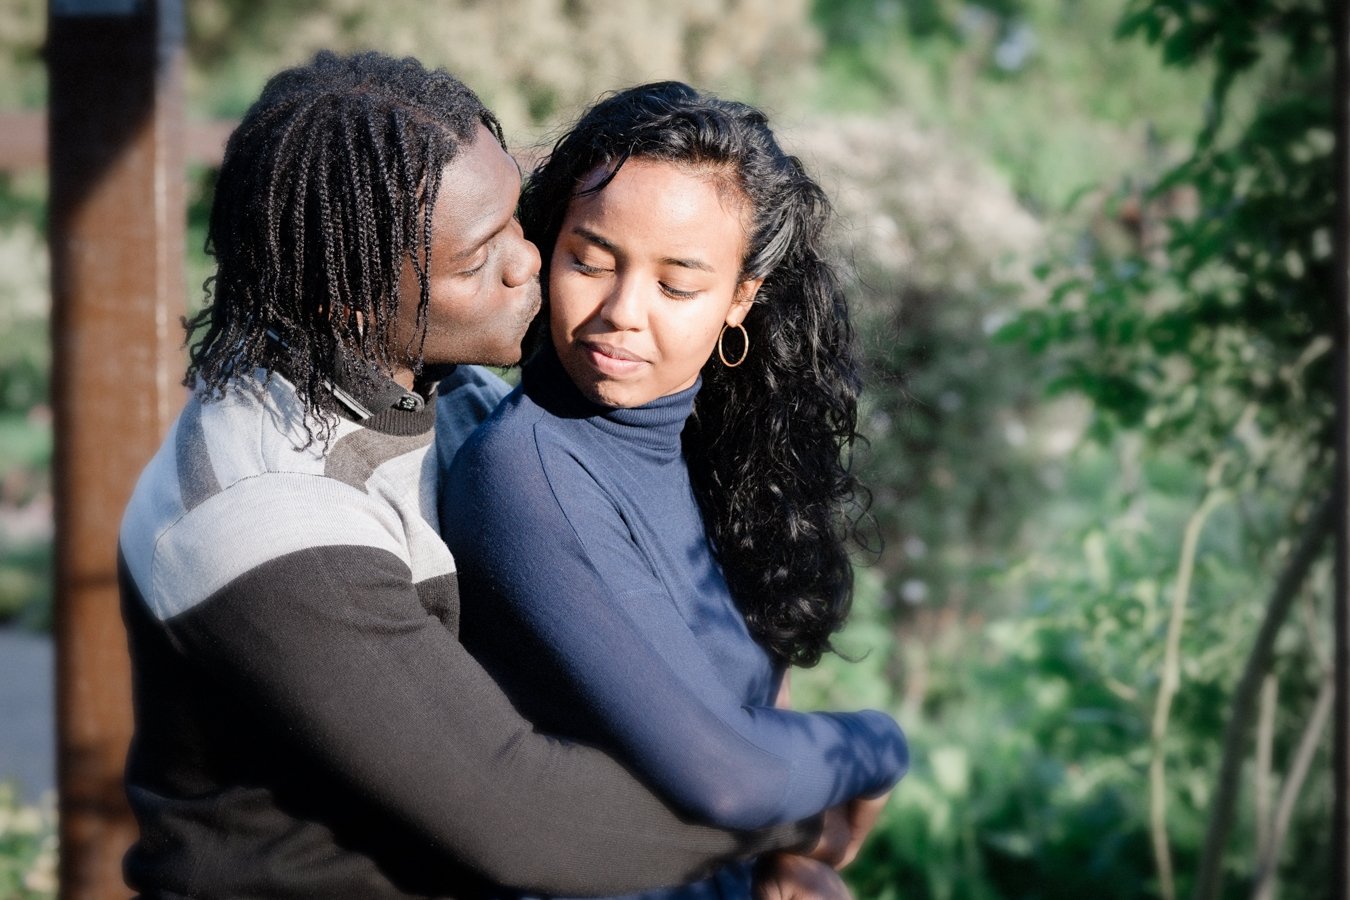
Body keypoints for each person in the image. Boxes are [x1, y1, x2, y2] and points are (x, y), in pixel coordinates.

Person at [117, 52, 832, 899]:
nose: (527, 264)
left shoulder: (442, 391)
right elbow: (532, 821)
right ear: (346, 298)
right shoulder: (264, 513)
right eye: (477, 258)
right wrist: (801, 802)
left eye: (514, 220)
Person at [441, 82, 909, 899]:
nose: (622, 312)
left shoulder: (718, 448)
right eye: (590, 260)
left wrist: (785, 861)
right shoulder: (525, 472)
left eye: (677, 284)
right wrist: (876, 746)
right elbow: (724, 773)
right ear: (549, 248)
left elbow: (757, 708)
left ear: (740, 300)